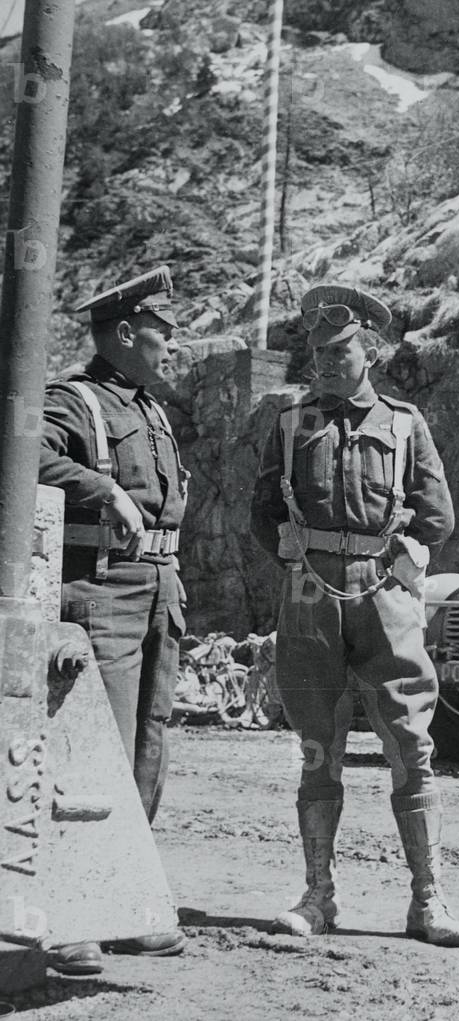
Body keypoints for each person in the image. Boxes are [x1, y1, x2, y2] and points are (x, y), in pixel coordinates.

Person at [249, 284, 459, 948]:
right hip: (310, 598)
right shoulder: (290, 423)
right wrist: (288, 549)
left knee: (410, 744)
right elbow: (262, 510)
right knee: (317, 746)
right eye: (317, 353)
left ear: (367, 353)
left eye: (339, 351)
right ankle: (318, 895)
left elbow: (437, 513)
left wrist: (409, 553)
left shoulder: (404, 423)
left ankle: (427, 899)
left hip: (385, 595)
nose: (324, 362)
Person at [38, 266, 189, 974]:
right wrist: (101, 488)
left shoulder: (151, 408)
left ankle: (121, 900)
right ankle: (70, 915)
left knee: (146, 750)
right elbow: (22, 450)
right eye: (164, 332)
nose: (172, 344)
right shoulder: (74, 400)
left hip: (159, 589)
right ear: (125, 333)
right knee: (92, 750)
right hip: (101, 592)